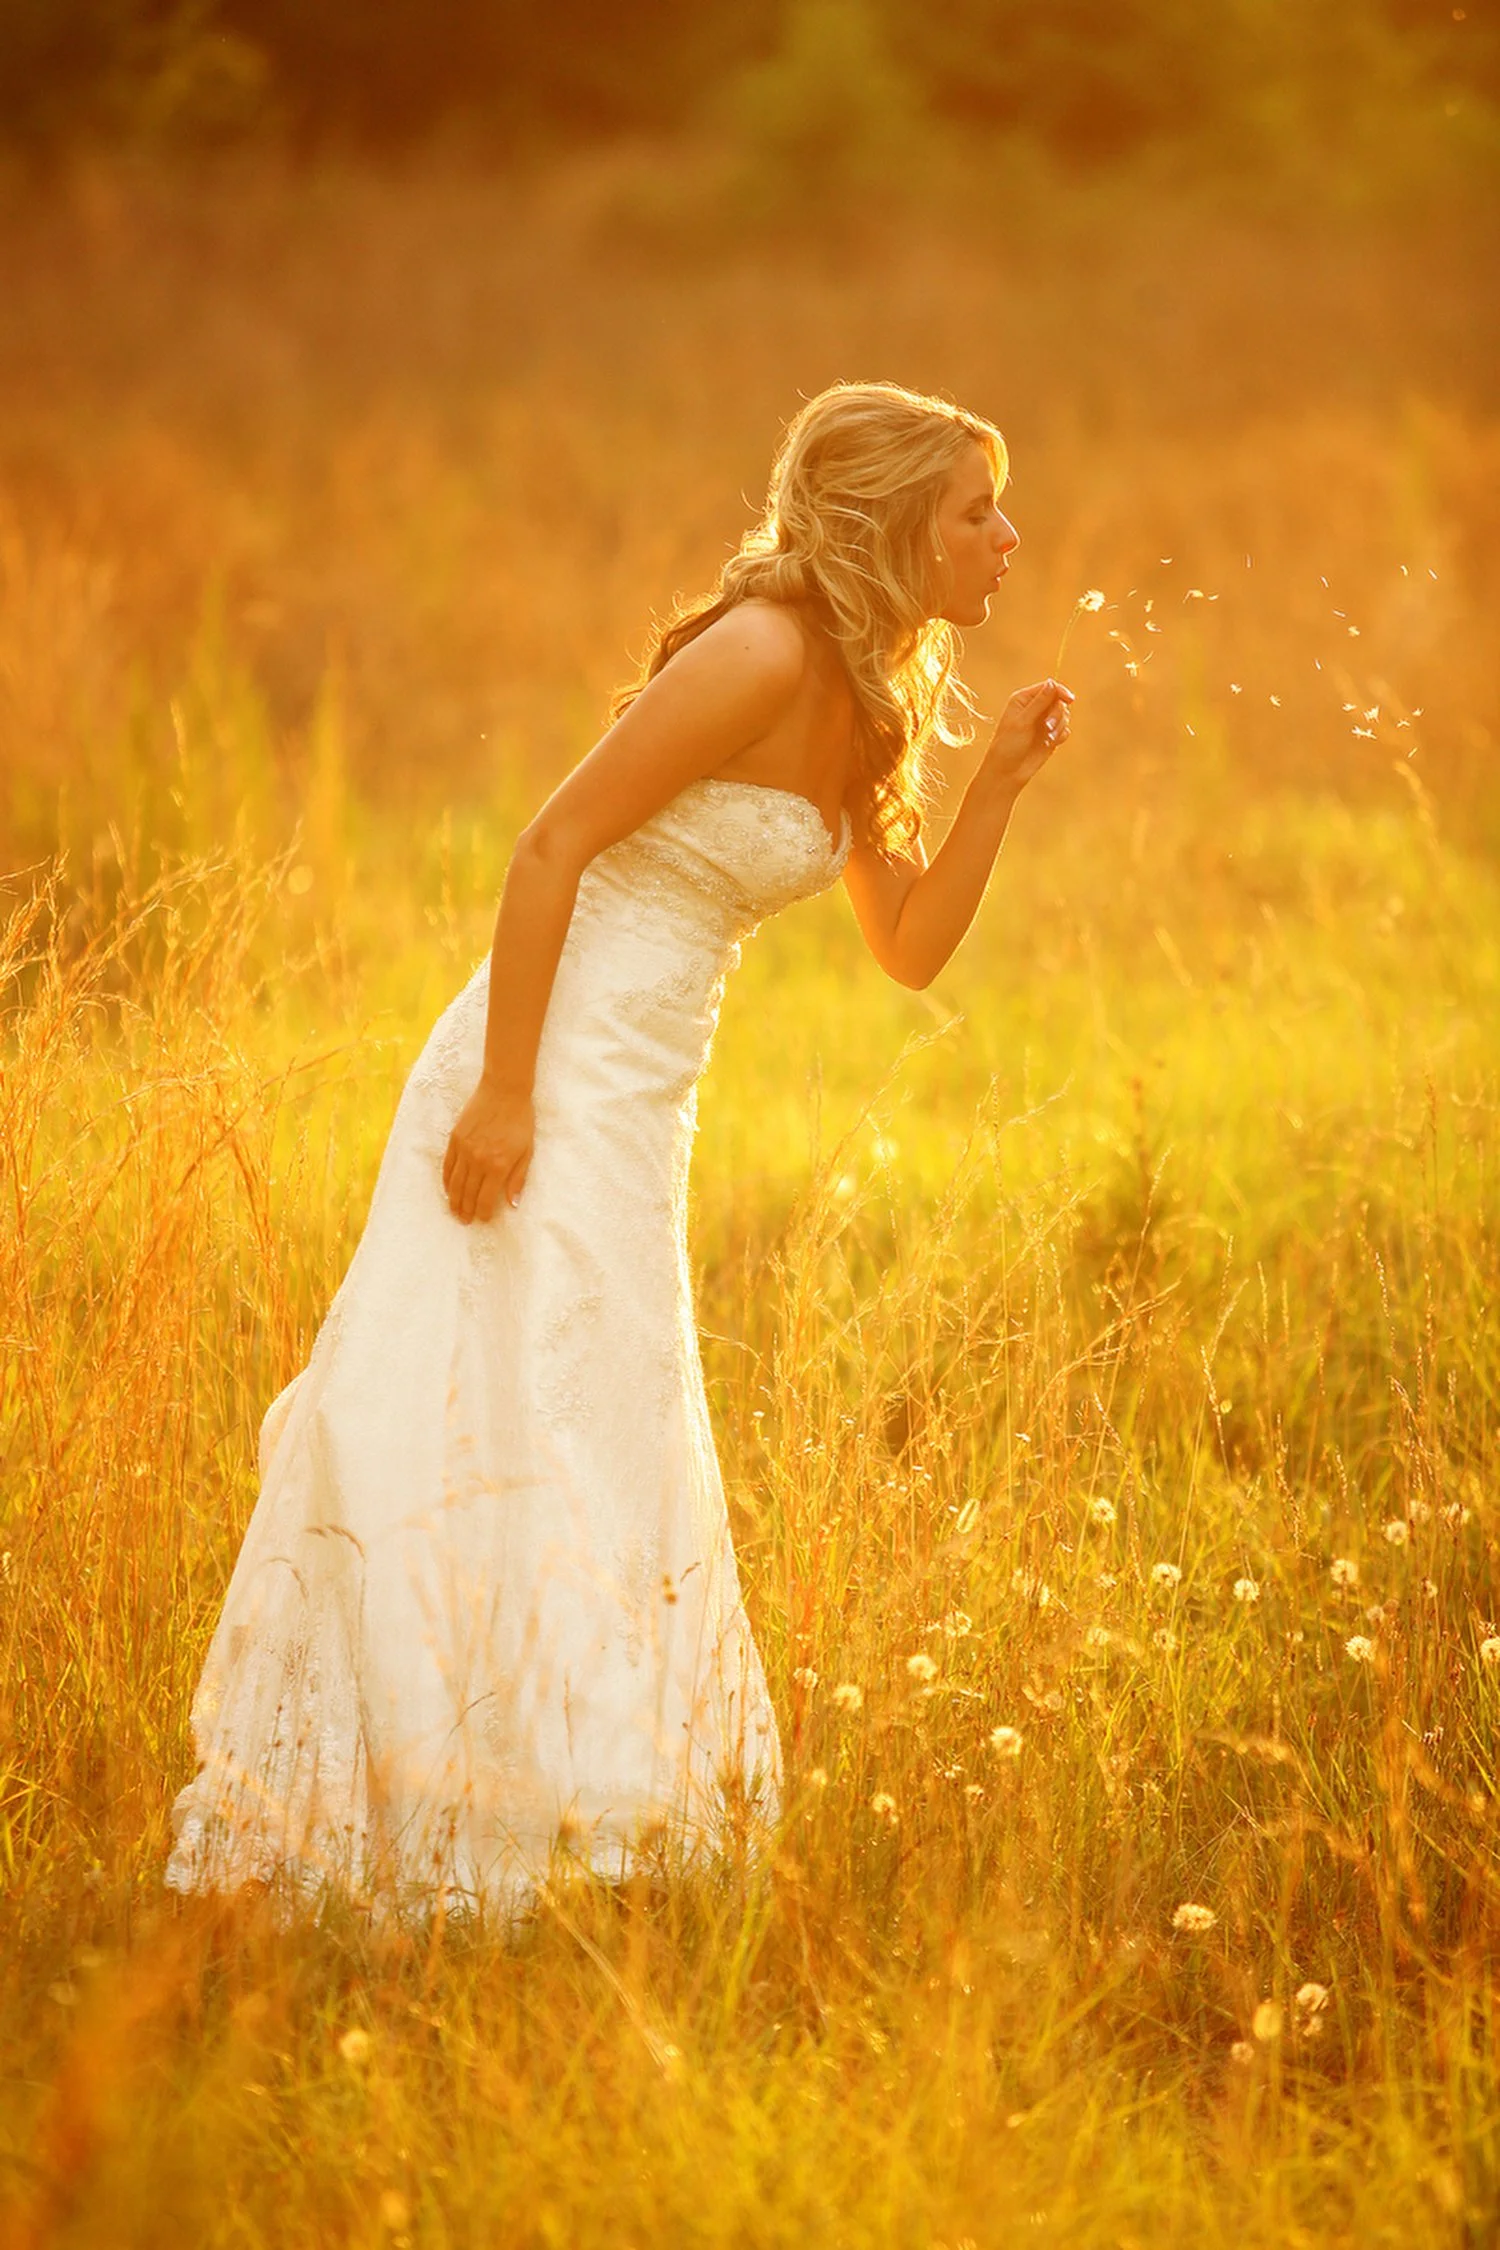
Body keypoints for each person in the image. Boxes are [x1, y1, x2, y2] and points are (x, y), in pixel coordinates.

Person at [164, 379, 1073, 1919]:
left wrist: (990, 792)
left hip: (644, 1096)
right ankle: (407, 1794)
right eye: (978, 508)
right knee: (483, 1402)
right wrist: (505, 1090)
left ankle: (564, 1781)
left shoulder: (864, 696)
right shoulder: (762, 649)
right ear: (896, 520)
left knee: (601, 1407)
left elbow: (909, 946)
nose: (1008, 536)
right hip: (538, 1058)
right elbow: (553, 844)